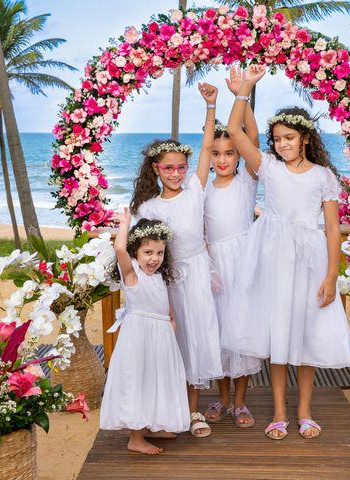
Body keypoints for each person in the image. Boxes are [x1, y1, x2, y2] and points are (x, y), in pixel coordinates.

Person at [225, 64, 350, 441]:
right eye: (277, 138)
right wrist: (243, 92)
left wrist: (332, 275)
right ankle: (280, 412)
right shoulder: (266, 167)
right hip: (272, 258)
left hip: (310, 260)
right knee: (279, 336)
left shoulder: (323, 176)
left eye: (289, 138)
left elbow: (332, 228)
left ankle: (305, 411)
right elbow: (235, 131)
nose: (282, 144)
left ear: (304, 139)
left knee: (306, 336)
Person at [130, 82, 223, 438]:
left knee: (195, 341)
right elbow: (141, 252)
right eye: (168, 168)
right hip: (164, 282)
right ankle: (163, 412)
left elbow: (206, 148)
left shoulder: (196, 189)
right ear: (156, 169)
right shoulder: (147, 208)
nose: (175, 173)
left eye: (180, 167)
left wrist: (210, 106)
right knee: (168, 344)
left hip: (196, 274)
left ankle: (192, 410)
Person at [100, 210, 190, 454]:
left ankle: (150, 426)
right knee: (138, 381)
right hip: (139, 338)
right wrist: (126, 225)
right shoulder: (132, 275)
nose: (154, 259)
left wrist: (171, 323)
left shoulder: (158, 276)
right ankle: (135, 438)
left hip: (160, 338)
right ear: (135, 253)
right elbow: (119, 249)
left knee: (155, 381)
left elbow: (165, 304)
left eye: (159, 253)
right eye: (148, 252)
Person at [202, 66, 262, 428]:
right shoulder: (204, 188)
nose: (223, 159)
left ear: (238, 156)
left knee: (244, 333)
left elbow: (248, 133)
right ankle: (222, 399)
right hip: (215, 268)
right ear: (209, 157)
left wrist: (243, 94)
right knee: (220, 334)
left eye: (230, 153)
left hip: (245, 263)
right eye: (217, 154)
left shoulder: (246, 182)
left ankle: (241, 402)